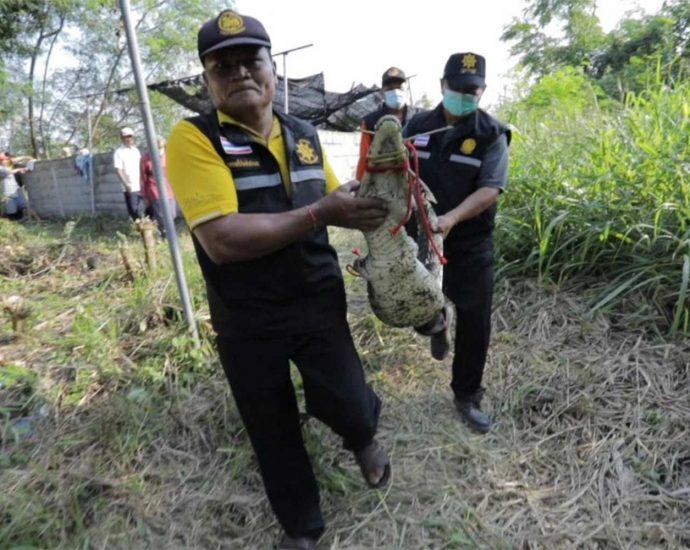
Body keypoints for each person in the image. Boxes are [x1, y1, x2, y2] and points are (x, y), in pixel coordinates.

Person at [166, 10, 390, 549]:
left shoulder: (306, 135)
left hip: (317, 299)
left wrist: (389, 190)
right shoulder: (195, 139)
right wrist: (320, 216)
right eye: (223, 66)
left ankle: (362, 436)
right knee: (271, 426)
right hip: (247, 315)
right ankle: (302, 526)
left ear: (272, 69)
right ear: (208, 80)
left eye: (251, 60)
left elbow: (341, 200)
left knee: (350, 401)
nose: (239, 72)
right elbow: (221, 239)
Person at [403, 52, 511, 434]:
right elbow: (399, 171)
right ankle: (434, 324)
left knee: (475, 320)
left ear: (481, 91)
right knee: (418, 303)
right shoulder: (416, 126)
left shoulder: (491, 135)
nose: (465, 95)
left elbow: (491, 189)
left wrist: (449, 219)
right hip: (422, 237)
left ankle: (467, 396)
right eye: (458, 88)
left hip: (469, 242)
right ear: (442, 86)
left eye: (473, 90)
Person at [355, 66, 416, 181]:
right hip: (383, 184)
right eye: (390, 89)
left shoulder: (419, 119)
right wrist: (360, 185)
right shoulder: (370, 121)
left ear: (407, 90)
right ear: (382, 92)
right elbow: (365, 158)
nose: (396, 92)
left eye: (400, 88)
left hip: (416, 185)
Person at [140, 137, 177, 238]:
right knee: (160, 215)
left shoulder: (169, 155)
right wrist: (144, 194)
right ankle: (163, 234)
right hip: (155, 190)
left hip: (169, 189)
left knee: (172, 214)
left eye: (160, 145)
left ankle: (167, 232)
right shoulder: (146, 157)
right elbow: (143, 177)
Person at [113, 126, 142, 220]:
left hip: (141, 184)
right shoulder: (118, 152)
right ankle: (138, 230)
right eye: (127, 137)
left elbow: (141, 166)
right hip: (130, 186)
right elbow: (118, 170)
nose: (129, 139)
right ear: (122, 138)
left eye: (131, 136)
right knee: (133, 210)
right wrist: (126, 184)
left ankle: (148, 227)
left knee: (151, 207)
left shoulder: (136, 151)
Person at [0, 152, 29, 221]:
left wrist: (26, 157)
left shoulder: (8, 165)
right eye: (6, 160)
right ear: (1, 161)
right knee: (11, 211)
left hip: (16, 189)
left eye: (8, 159)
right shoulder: (1, 168)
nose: (8, 161)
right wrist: (19, 170)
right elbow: (7, 172)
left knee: (23, 205)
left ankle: (23, 217)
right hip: (7, 193)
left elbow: (15, 160)